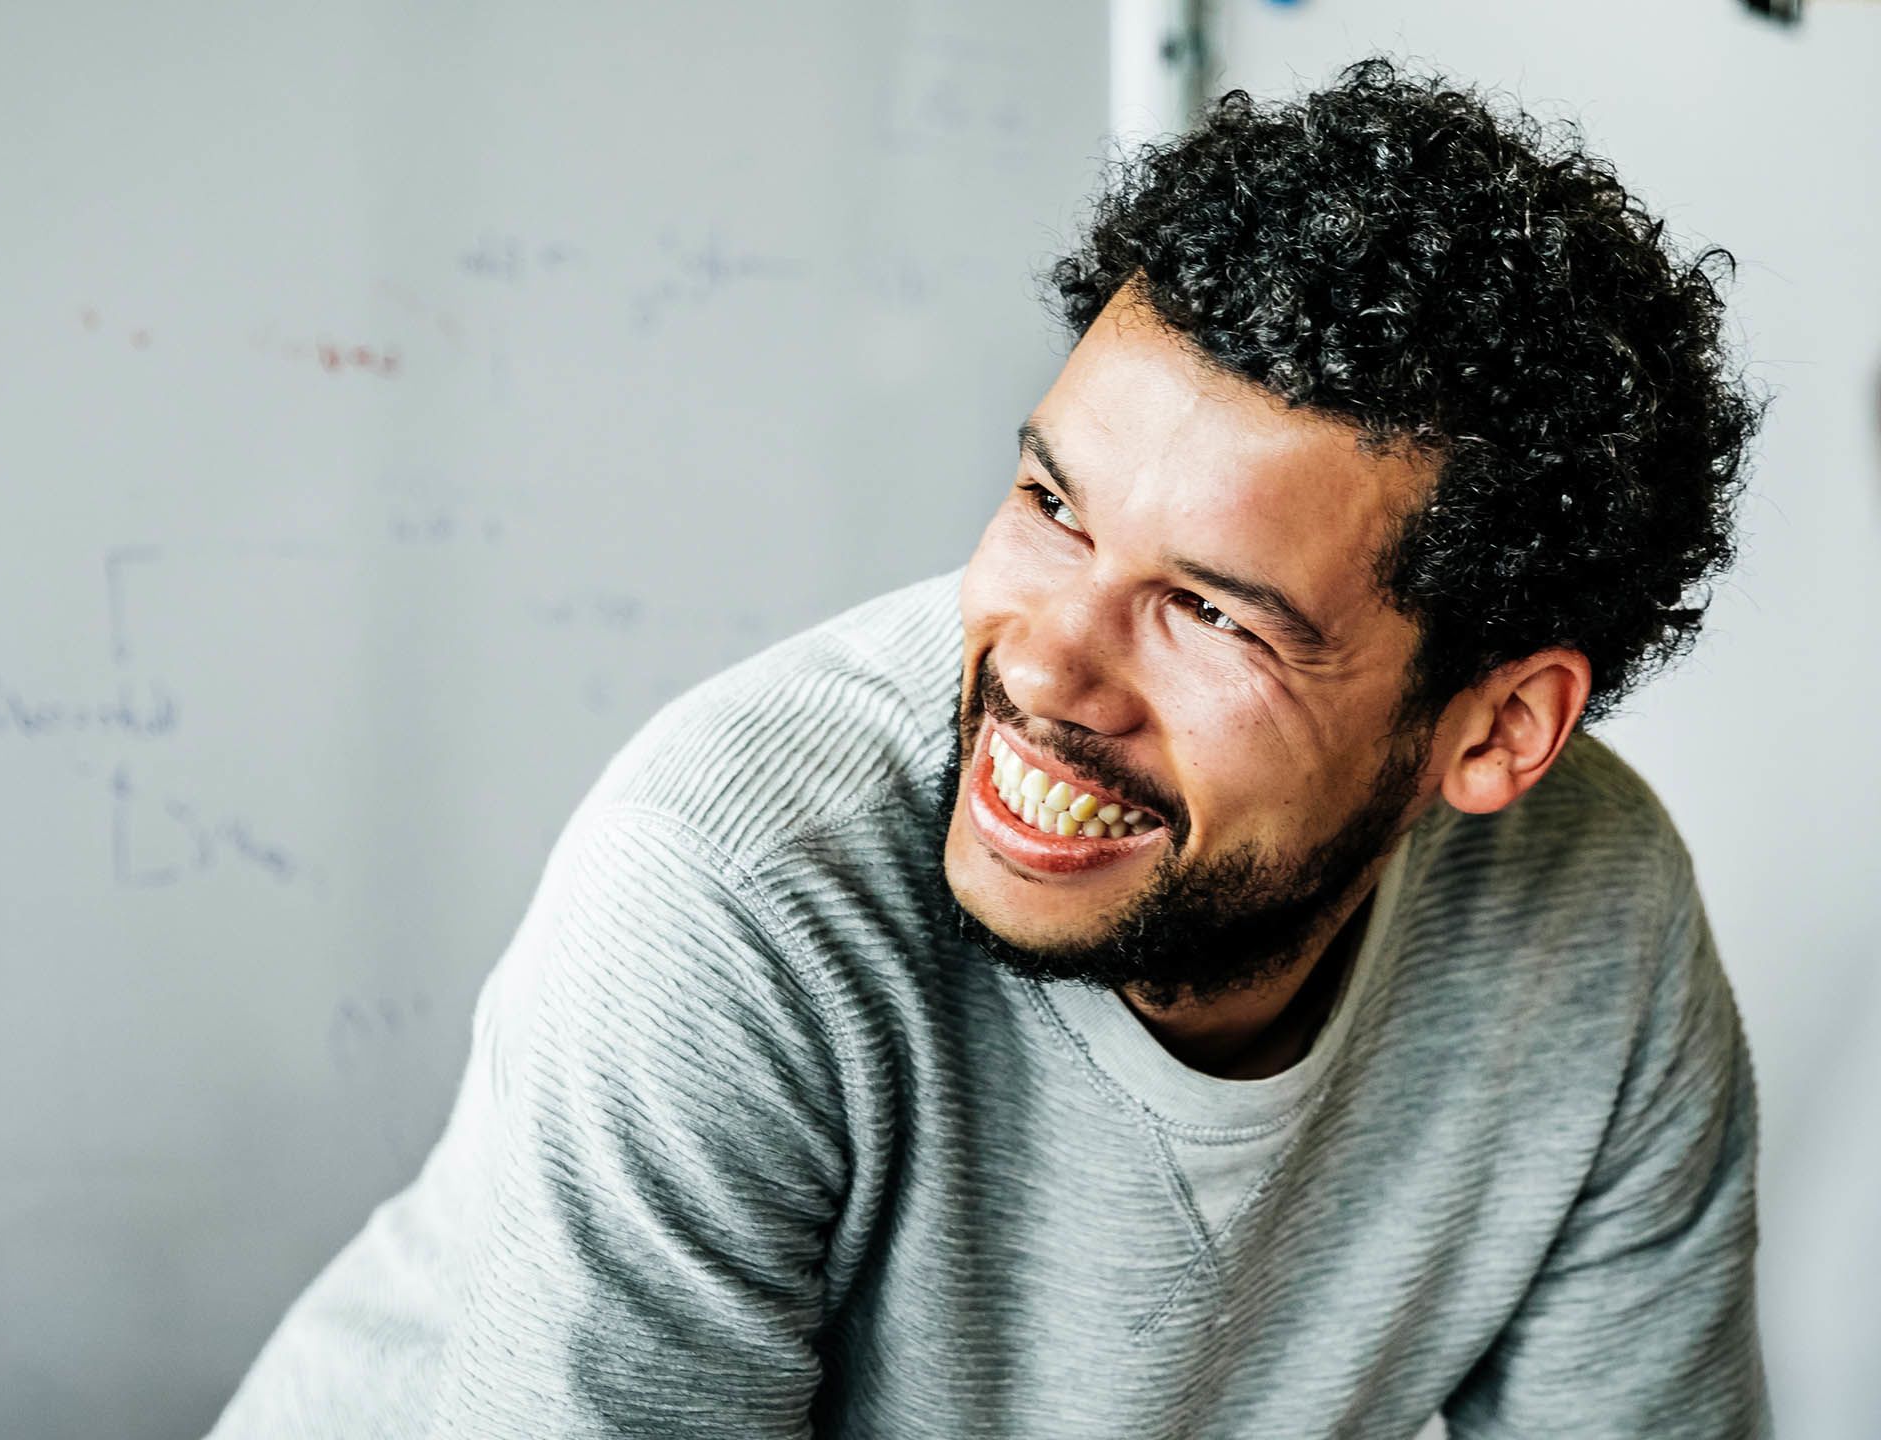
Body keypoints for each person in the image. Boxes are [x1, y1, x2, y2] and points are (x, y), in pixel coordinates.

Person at [210, 57, 1772, 1438]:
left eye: (1214, 616)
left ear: (1498, 730)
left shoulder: (1595, 923)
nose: (1043, 661)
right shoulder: (728, 899)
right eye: (1051, 506)